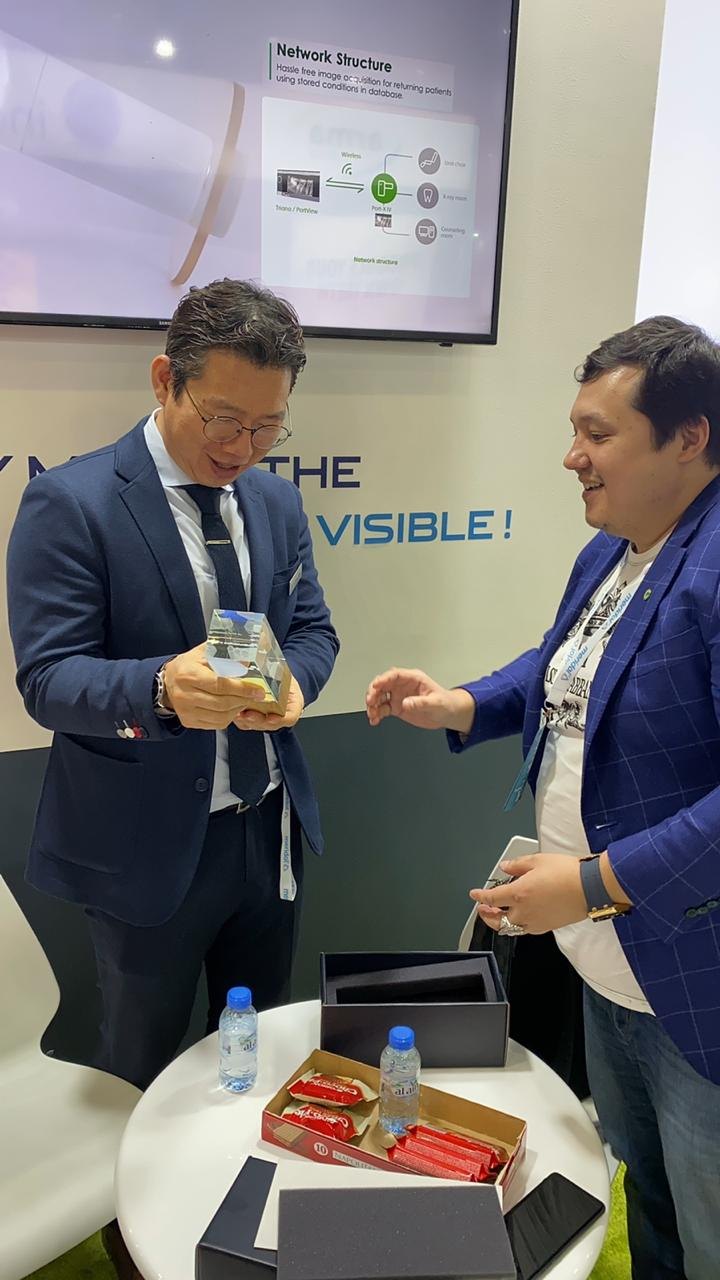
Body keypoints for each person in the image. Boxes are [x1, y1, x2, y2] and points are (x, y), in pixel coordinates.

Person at [367, 316, 720, 1280]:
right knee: (650, 1202)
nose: (573, 458)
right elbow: (567, 664)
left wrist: (596, 883)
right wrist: (464, 703)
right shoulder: (615, 549)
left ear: (689, 437)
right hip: (611, 968)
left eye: (598, 434)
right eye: (575, 431)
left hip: (693, 978)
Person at [7, 278, 339, 1091]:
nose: (242, 447)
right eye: (223, 419)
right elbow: (48, 678)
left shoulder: (275, 502)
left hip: (267, 828)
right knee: (142, 1070)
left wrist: (295, 686)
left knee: (258, 1053)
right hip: (144, 847)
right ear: (166, 381)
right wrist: (161, 688)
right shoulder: (72, 503)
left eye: (266, 425)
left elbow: (312, 632)